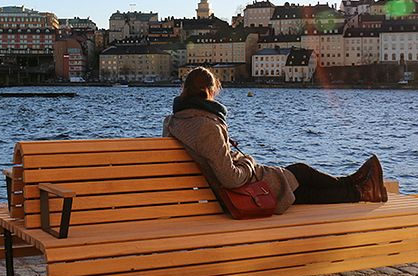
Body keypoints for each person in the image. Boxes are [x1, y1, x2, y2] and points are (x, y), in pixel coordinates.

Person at [163, 67, 387, 215]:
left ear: (185, 91)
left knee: (301, 181)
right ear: (211, 92)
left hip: (211, 194)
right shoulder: (207, 126)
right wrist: (248, 162)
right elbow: (231, 178)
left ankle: (356, 184)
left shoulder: (174, 121)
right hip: (237, 195)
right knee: (301, 177)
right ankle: (359, 190)